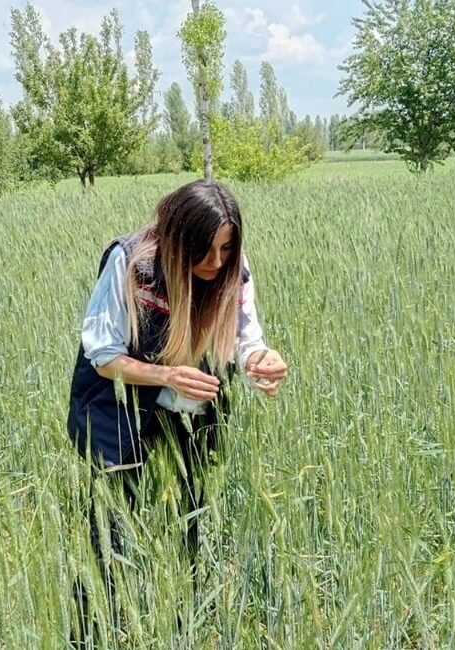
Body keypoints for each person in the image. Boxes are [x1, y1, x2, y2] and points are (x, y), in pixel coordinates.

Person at [66, 179, 288, 643]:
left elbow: (247, 341)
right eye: (204, 251)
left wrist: (260, 364)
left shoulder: (233, 269)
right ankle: (95, 633)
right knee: (110, 534)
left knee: (192, 522)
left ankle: (183, 623)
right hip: (120, 409)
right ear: (174, 237)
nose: (217, 263)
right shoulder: (130, 263)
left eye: (226, 249)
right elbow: (103, 356)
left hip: (195, 414)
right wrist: (167, 376)